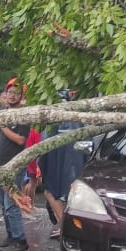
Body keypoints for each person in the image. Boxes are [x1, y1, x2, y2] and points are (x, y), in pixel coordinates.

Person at [0, 77, 31, 251]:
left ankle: (21, 241)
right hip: (0, 165)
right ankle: (11, 236)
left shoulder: (24, 116)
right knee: (1, 202)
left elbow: (21, 140)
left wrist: (4, 126)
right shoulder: (3, 112)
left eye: (17, 93)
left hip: (15, 166)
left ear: (22, 96)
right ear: (5, 94)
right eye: (10, 92)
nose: (13, 96)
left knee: (11, 204)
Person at [39, 89, 86, 239]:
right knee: (69, 194)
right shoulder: (77, 116)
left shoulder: (52, 116)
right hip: (73, 162)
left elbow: (44, 144)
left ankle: (65, 226)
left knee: (52, 192)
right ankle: (69, 226)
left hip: (58, 160)